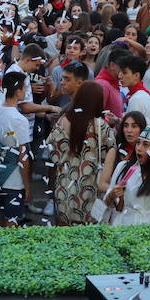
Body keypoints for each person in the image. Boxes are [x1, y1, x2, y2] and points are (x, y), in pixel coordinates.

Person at [46, 80, 112, 226]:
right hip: (89, 188)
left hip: (65, 184)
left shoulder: (64, 120)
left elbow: (53, 153)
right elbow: (111, 153)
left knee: (62, 232)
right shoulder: (101, 126)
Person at [101, 126, 150, 225]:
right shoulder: (123, 167)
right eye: (138, 143)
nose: (139, 148)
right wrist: (113, 194)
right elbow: (110, 203)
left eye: (145, 144)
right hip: (124, 224)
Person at [0, 71, 32, 227]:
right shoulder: (19, 120)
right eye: (25, 88)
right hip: (13, 180)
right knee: (10, 223)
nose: (26, 91)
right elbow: (23, 157)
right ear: (18, 91)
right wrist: (27, 186)